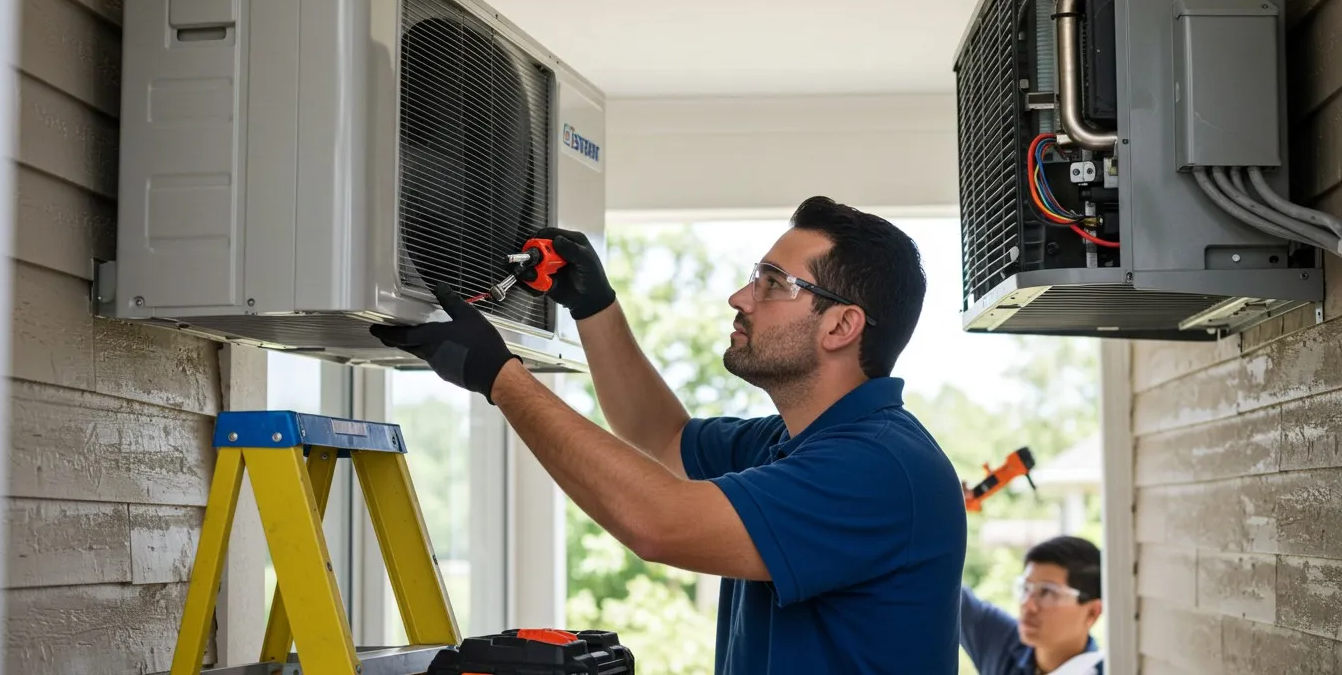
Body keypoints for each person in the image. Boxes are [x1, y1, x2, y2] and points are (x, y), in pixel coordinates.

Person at [370, 196, 967, 674]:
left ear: (841, 325)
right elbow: (659, 436)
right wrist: (594, 306)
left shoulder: (881, 467)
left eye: (772, 282)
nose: (739, 297)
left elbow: (659, 523)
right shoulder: (787, 445)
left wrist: (500, 377)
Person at [959, 536, 1104, 675]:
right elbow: (953, 595)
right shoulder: (1003, 646)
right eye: (1026, 588)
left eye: (1047, 592)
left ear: (1092, 612)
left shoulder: (1112, 670)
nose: (1028, 605)